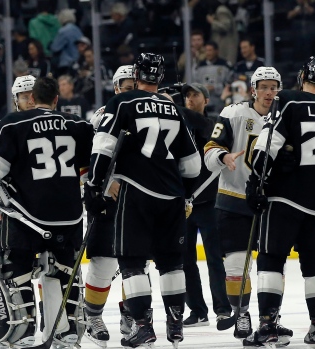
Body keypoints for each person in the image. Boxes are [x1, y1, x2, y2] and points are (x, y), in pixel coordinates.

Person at [85, 53, 201, 349]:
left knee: (132, 263)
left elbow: (103, 148)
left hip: (135, 193)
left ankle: (142, 327)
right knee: (172, 263)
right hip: (172, 196)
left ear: (136, 74)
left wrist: (95, 186)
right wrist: (184, 192)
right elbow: (193, 165)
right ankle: (175, 327)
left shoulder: (121, 103)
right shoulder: (173, 108)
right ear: (160, 78)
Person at [0, 76, 93, 349]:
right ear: (57, 99)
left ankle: (23, 329)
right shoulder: (79, 125)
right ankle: (69, 329)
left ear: (32, 98)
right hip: (70, 216)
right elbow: (94, 168)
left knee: (16, 269)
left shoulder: (13, 124)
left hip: (26, 216)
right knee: (65, 270)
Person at [243, 56, 315, 348]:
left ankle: (268, 326)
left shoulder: (287, 100)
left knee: (271, 259)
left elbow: (266, 144)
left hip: (286, 197)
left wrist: (255, 184)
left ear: (302, 77)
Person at [203, 67, 293, 345]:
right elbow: (210, 149)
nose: (269, 92)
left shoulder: (287, 117)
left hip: (272, 202)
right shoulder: (233, 114)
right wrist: (224, 157)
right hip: (234, 198)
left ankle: (270, 318)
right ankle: (242, 313)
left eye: (274, 87)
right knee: (235, 265)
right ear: (253, 89)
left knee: (272, 267)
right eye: (264, 87)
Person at [82, 65, 135, 347]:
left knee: (136, 262)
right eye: (126, 88)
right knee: (103, 262)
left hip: (140, 198)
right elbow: (94, 159)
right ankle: (93, 317)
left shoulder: (147, 111)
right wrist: (106, 183)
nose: (131, 91)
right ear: (116, 88)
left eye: (134, 86)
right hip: (109, 198)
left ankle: (133, 316)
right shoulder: (102, 116)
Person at [178, 83, 231, 327]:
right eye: (186, 95)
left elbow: (198, 125)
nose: (189, 99)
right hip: (185, 204)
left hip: (210, 203)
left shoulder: (212, 126)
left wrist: (171, 105)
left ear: (206, 100)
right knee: (185, 260)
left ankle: (223, 308)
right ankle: (197, 310)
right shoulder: (179, 126)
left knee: (214, 259)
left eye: (194, 95)